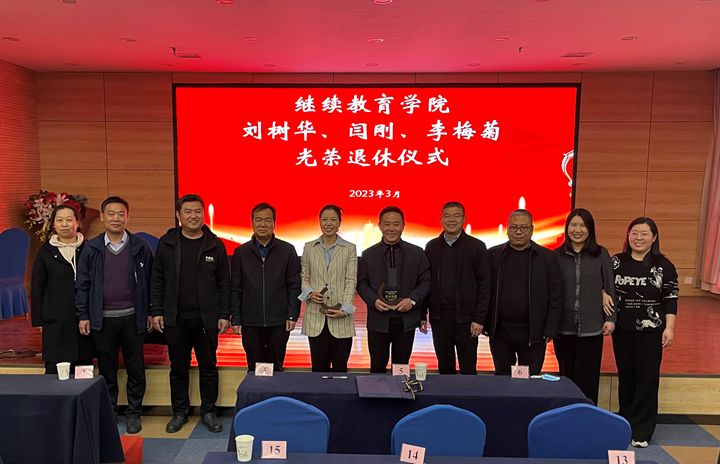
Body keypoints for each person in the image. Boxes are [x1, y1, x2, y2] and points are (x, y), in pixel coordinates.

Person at [150, 194, 230, 433]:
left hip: (207, 318)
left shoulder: (215, 244)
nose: (193, 216)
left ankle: (209, 411)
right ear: (178, 215)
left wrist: (224, 314)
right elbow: (157, 279)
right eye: (187, 211)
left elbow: (224, 283)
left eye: (197, 211)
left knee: (208, 367)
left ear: (203, 214)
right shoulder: (167, 243)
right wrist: (156, 311)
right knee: (178, 368)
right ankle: (180, 412)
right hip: (176, 318)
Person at [75, 196, 153, 434]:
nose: (116, 218)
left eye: (121, 214)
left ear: (127, 217)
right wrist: (83, 315)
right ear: (102, 217)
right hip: (103, 319)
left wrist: (151, 312)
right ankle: (109, 413)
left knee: (135, 368)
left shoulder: (140, 247)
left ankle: (134, 413)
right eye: (111, 214)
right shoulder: (92, 248)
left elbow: (151, 283)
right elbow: (83, 284)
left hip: (133, 317)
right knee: (107, 369)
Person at [612, 217, 678, 448]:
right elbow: (604, 286)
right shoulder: (616, 262)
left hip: (651, 332)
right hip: (622, 330)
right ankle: (625, 422)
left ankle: (642, 429)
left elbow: (671, 299)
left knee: (647, 379)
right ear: (628, 235)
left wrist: (669, 328)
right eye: (634, 233)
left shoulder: (664, 265)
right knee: (626, 377)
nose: (638, 238)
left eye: (644, 234)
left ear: (654, 237)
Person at [485, 209, 562, 376]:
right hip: (501, 332)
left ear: (532, 230)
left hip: (534, 333)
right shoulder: (493, 255)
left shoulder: (547, 257)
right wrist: (485, 323)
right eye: (514, 227)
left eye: (524, 227)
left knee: (530, 379)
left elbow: (556, 296)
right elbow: (484, 291)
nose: (518, 232)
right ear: (507, 229)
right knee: (502, 377)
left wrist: (551, 328)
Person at [357, 206, 431, 373]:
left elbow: (426, 281)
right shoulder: (368, 254)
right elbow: (361, 283)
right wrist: (373, 301)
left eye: (396, 224)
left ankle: (400, 390)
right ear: (380, 226)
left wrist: (412, 300)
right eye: (387, 224)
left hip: (406, 321)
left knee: (401, 368)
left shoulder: (417, 253)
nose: (391, 228)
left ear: (403, 226)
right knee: (377, 367)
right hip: (378, 321)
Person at [554, 208, 616, 404]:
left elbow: (610, 286)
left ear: (590, 229)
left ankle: (588, 413)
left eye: (583, 225)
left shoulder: (601, 254)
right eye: (573, 225)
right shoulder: (556, 255)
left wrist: (611, 319)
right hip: (563, 327)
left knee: (589, 377)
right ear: (567, 228)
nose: (577, 230)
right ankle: (566, 412)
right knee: (566, 376)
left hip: (592, 326)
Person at [231, 203, 301, 371]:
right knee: (254, 369)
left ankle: (275, 389)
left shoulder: (287, 250)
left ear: (274, 223)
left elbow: (294, 286)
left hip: (279, 321)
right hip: (250, 322)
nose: (263, 224)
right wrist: (236, 319)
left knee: (275, 368)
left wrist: (292, 315)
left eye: (267, 220)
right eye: (258, 220)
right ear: (252, 222)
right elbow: (235, 288)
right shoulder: (241, 252)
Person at [423, 201, 491, 375]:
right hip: (440, 318)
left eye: (456, 216)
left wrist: (480, 319)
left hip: (468, 320)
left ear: (464, 219)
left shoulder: (477, 247)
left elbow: (485, 285)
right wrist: (422, 315)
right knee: (445, 367)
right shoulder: (432, 247)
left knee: (468, 368)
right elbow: (425, 282)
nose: (451, 220)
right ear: (441, 219)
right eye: (447, 216)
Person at [31, 204, 93, 374]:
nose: (64, 224)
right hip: (55, 320)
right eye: (59, 220)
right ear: (53, 224)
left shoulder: (89, 249)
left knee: (83, 371)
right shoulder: (46, 251)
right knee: (55, 372)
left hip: (83, 320)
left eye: (69, 220)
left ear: (78, 222)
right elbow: (37, 287)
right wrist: (38, 320)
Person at [300, 205, 357, 372]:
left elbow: (351, 280)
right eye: (324, 219)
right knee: (318, 370)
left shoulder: (350, 248)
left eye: (333, 219)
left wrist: (345, 310)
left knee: (341, 369)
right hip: (315, 317)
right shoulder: (309, 247)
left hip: (341, 318)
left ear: (339, 223)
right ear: (319, 222)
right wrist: (309, 294)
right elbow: (303, 277)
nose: (328, 223)